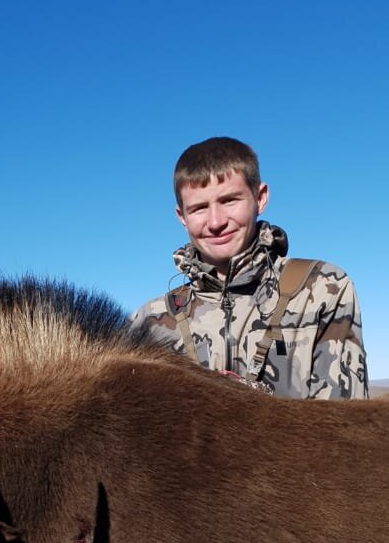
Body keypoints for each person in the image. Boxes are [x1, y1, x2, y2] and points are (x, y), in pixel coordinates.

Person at [130, 137, 368, 399]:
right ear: (182, 217)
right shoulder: (149, 321)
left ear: (260, 198)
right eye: (198, 208)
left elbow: (344, 424)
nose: (216, 222)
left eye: (230, 200)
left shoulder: (323, 288)